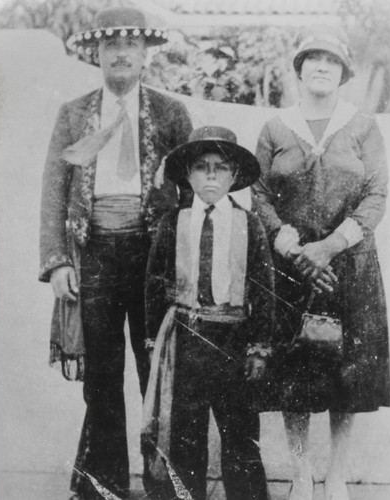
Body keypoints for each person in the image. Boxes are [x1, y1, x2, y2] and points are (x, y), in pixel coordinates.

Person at [39, 7, 192, 500]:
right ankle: (103, 487)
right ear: (96, 55)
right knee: (102, 378)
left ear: (146, 55)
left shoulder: (171, 114)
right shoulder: (75, 113)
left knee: (158, 372)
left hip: (153, 258)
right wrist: (59, 260)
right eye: (111, 46)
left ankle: (164, 485)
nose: (121, 53)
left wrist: (186, 259)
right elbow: (54, 190)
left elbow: (191, 195)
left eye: (131, 45)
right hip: (96, 255)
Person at [252, 25, 390, 500]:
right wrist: (284, 238)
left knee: (345, 371)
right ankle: (300, 474)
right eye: (312, 59)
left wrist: (330, 245)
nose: (321, 67)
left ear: (343, 72)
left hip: (347, 266)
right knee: (295, 371)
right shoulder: (275, 126)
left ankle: (335, 473)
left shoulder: (363, 125)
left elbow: (376, 194)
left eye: (331, 61)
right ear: (299, 69)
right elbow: (256, 191)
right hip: (289, 268)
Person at [142, 126, 275, 500]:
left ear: (234, 176)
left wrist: (259, 347)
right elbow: (154, 283)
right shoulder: (173, 222)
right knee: (184, 435)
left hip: (234, 339)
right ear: (188, 174)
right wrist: (155, 341)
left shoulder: (249, 224)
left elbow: (264, 289)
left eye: (220, 167)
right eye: (202, 167)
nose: (211, 175)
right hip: (187, 339)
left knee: (241, 436)